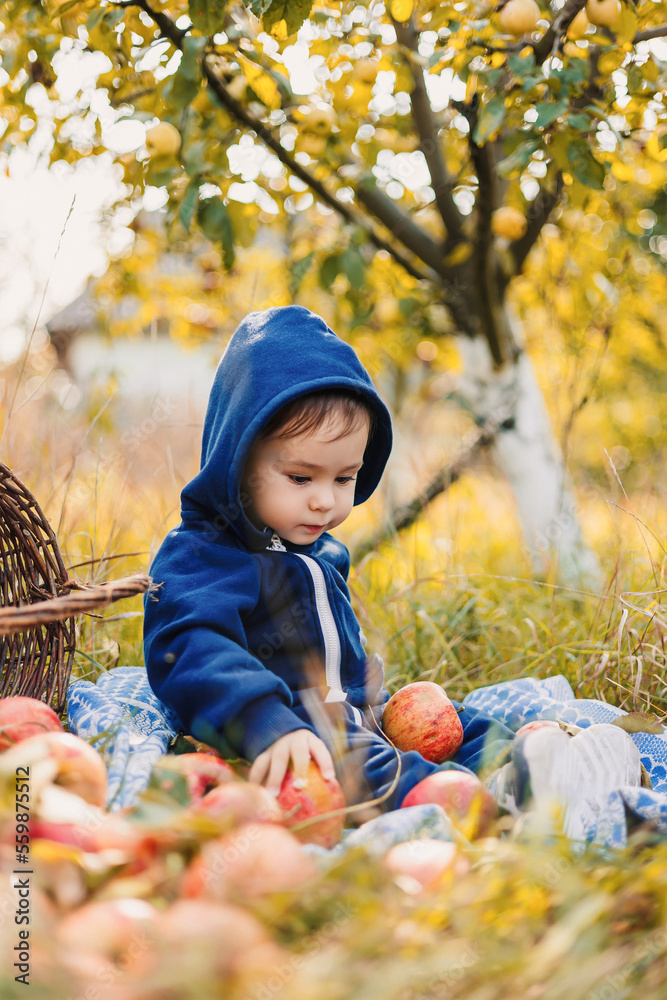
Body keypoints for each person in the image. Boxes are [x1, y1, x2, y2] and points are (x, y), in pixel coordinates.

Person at [142, 305, 517, 814]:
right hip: (282, 733)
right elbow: (188, 647)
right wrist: (263, 720)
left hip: (354, 716)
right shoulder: (204, 555)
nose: (325, 500)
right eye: (301, 478)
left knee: (466, 724)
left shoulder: (316, 551)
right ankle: (467, 801)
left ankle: (528, 758)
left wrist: (370, 689)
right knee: (360, 764)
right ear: (236, 461)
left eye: (344, 478)